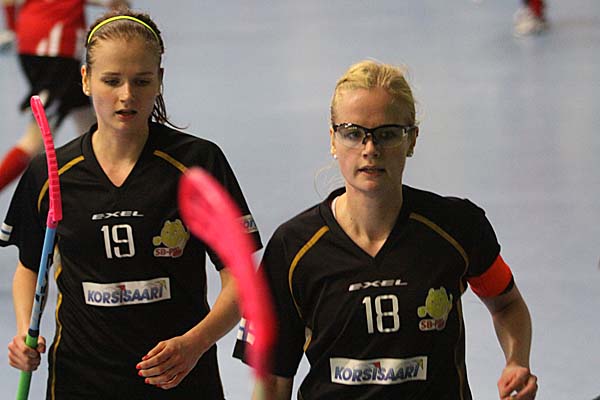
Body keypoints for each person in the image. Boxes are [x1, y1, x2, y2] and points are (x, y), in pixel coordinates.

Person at [234, 60, 538, 399]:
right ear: (333, 140)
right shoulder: (292, 249)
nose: (370, 149)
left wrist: (516, 361)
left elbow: (506, 304)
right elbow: (272, 379)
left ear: (412, 140)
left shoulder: (457, 228)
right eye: (353, 133)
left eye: (387, 134)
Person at [2, 9, 261, 399]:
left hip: (180, 381)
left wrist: (195, 343)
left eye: (142, 80)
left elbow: (241, 278)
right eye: (112, 81)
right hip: (80, 381)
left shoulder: (197, 165)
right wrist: (25, 331)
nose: (127, 95)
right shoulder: (51, 173)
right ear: (85, 80)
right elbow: (28, 268)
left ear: (160, 80)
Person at [0, 0, 128, 192]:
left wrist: (11, 25)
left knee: (90, 124)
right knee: (35, 139)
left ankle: (109, 187)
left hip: (32, 42)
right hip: (55, 49)